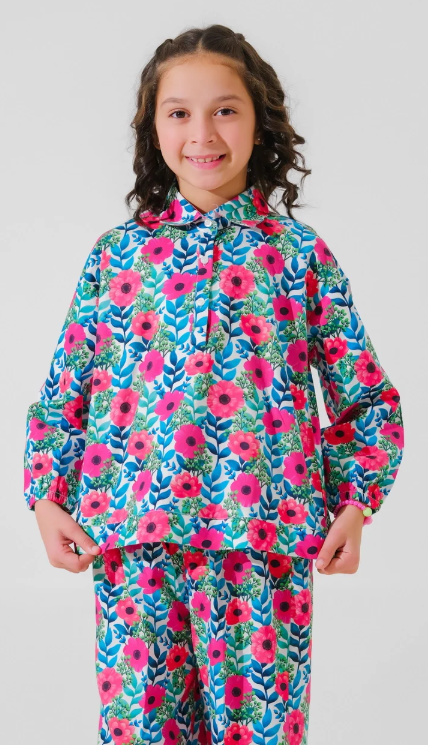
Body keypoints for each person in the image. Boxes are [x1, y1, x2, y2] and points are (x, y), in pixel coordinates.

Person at [23, 24, 405, 746]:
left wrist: (357, 503)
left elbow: (366, 399)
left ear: (261, 122)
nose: (202, 133)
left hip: (263, 548)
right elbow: (63, 393)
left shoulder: (298, 256)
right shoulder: (116, 256)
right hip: (134, 547)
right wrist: (45, 496)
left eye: (225, 110)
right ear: (153, 128)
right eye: (179, 113)